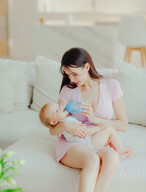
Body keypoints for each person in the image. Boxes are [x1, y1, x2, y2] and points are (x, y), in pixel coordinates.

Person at [49, 47, 132, 192]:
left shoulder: (111, 85)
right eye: (68, 75)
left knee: (112, 157)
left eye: (75, 74)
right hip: (72, 143)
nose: (72, 80)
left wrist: (95, 118)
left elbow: (123, 125)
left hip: (97, 140)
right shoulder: (67, 90)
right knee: (92, 160)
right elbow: (52, 128)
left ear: (87, 67)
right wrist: (66, 126)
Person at [39, 101, 132, 158]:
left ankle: (116, 152)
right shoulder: (68, 122)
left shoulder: (65, 122)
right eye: (56, 110)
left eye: (58, 106)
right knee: (110, 129)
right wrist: (99, 127)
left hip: (88, 142)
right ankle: (120, 149)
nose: (60, 108)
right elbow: (85, 132)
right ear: (54, 122)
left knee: (107, 136)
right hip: (89, 142)